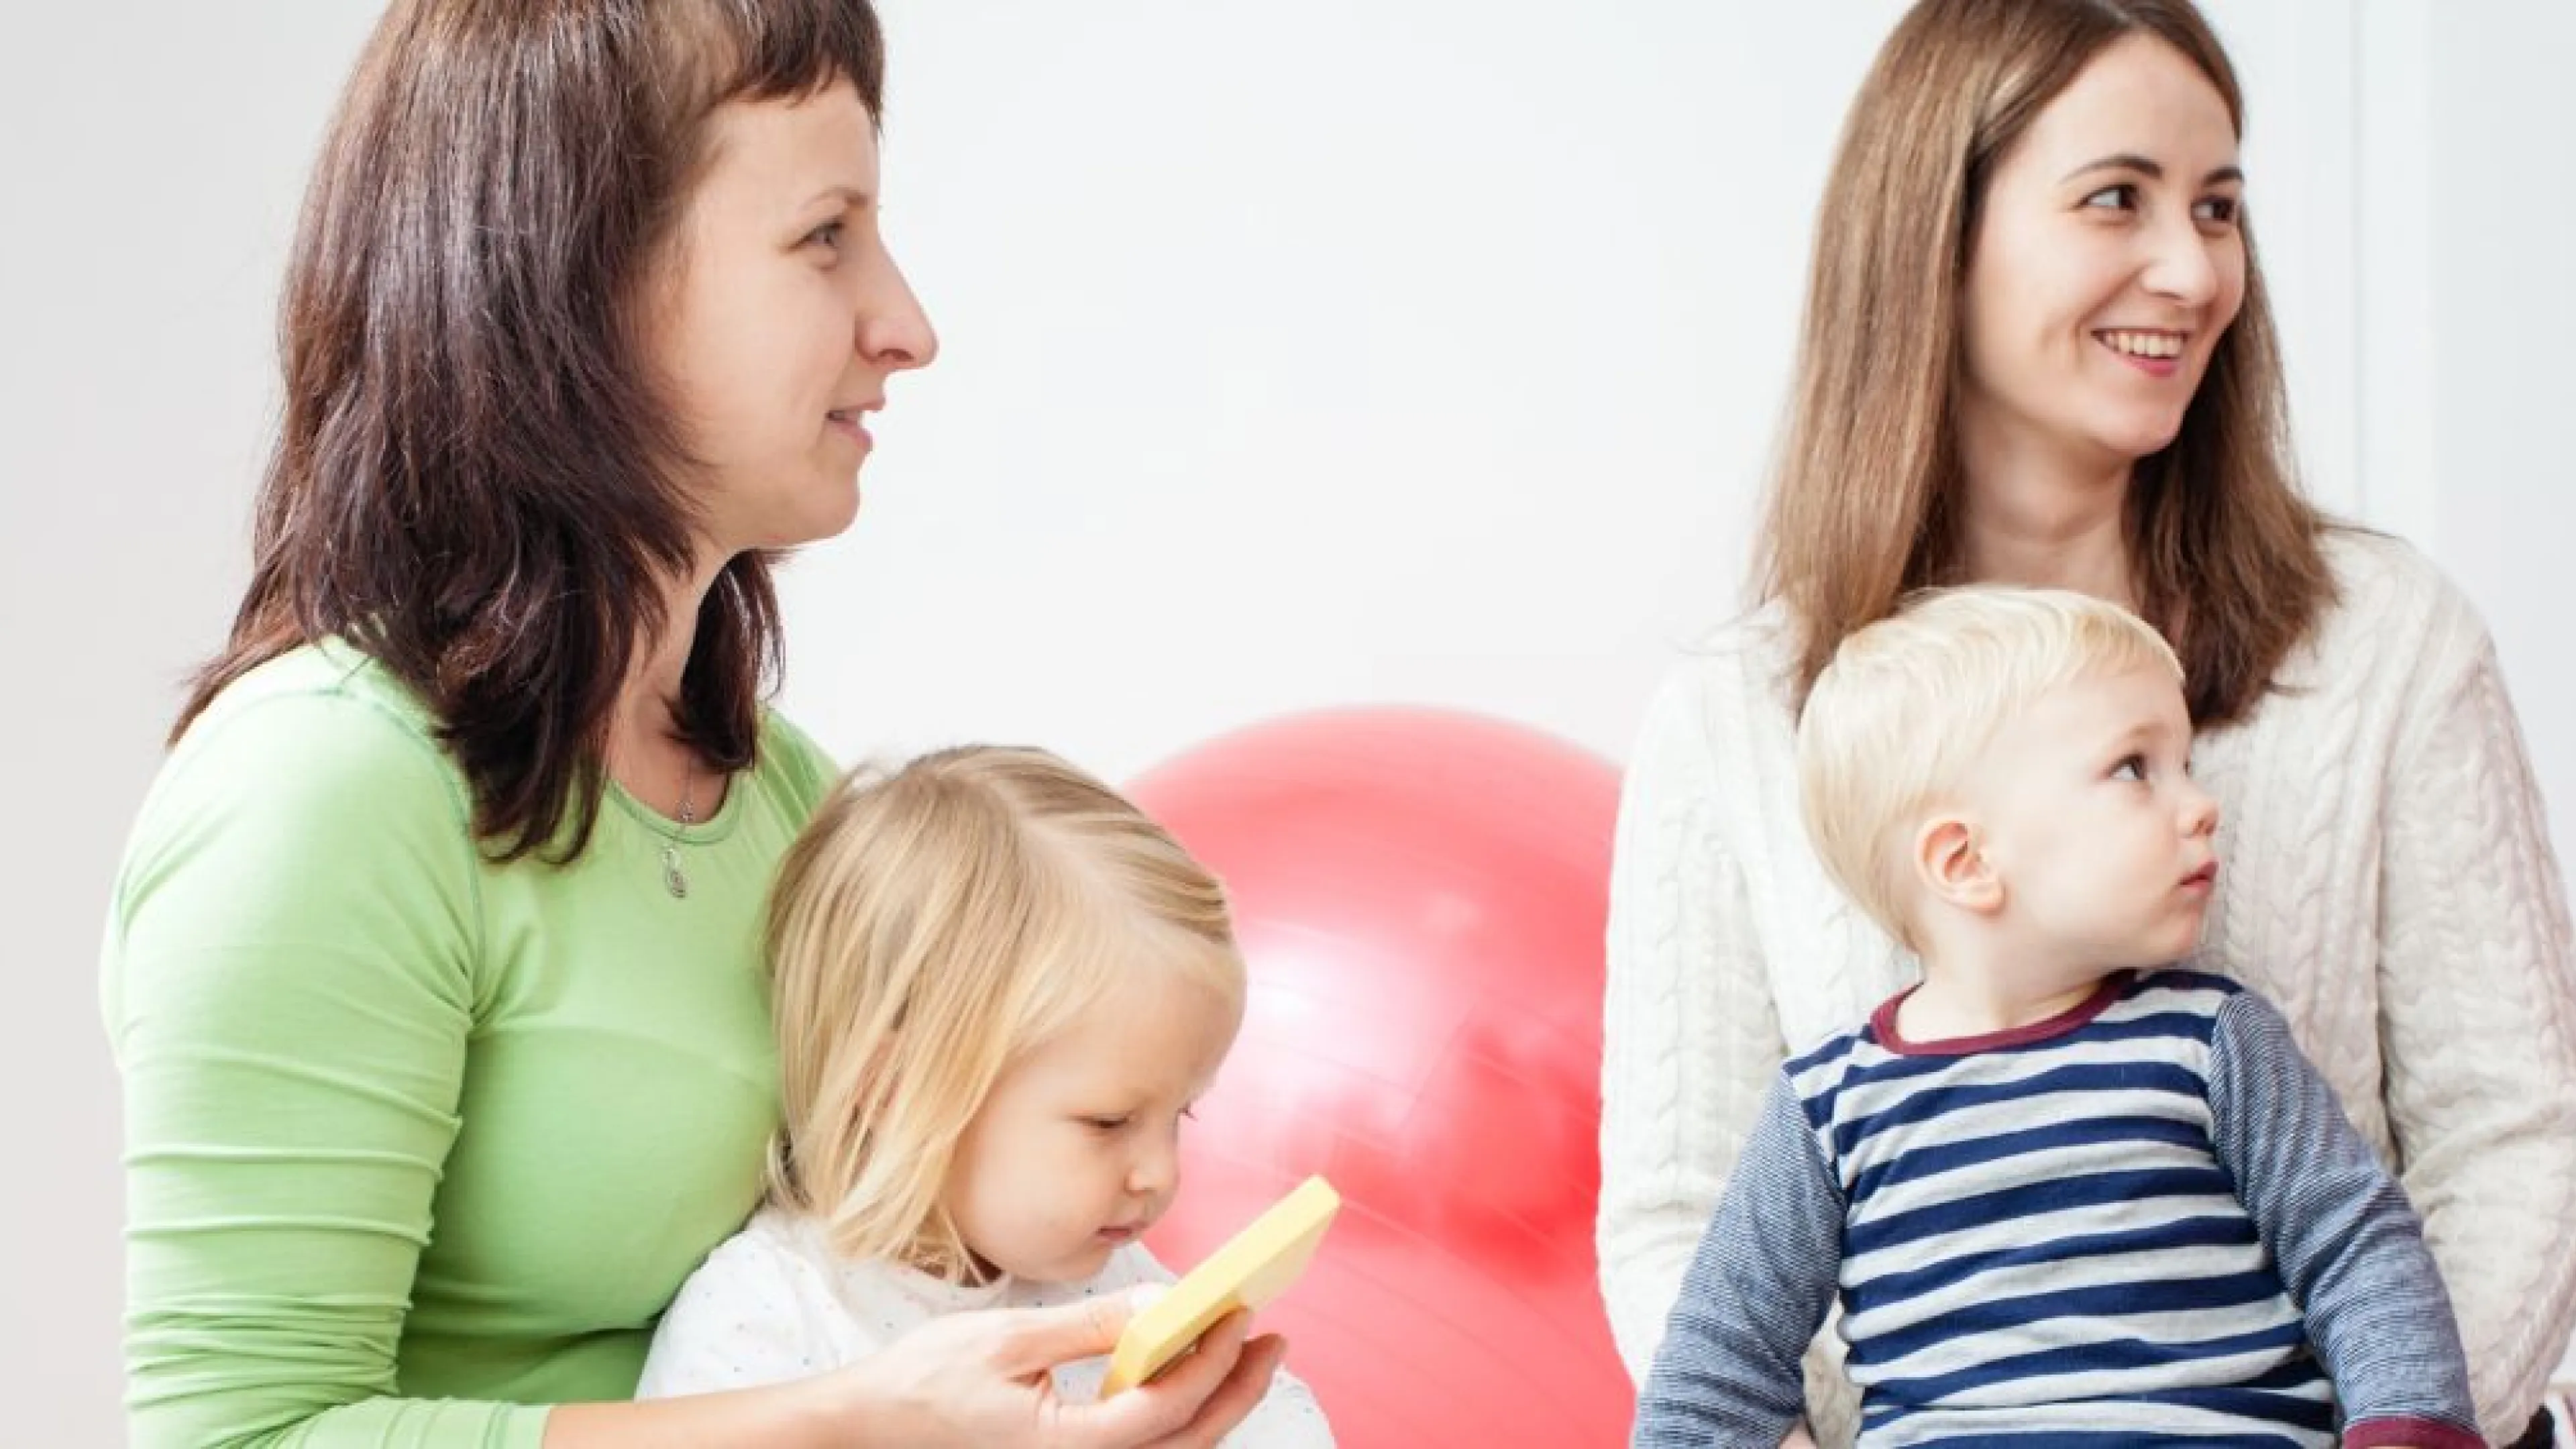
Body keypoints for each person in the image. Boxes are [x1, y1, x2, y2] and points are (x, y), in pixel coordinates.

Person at [101, 2, 1283, 1444]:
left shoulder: (784, 802)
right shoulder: (325, 789)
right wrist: (844, 1427)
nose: (904, 325)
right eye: (824, 235)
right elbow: (231, 1438)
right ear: (583, 279)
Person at [1595, 1, 2576, 1443]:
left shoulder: (2383, 640)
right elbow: (1687, 1230)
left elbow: (2516, 1140)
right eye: (2117, 198)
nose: (2192, 269)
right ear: (1938, 236)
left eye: (2220, 207)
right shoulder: (1733, 716)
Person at [1629, 586, 2479, 1448]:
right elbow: (1708, 1384)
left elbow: (2358, 1249)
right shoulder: (1830, 1110)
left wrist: (2406, 1421)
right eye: (2134, 768)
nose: (2201, 804)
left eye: (2187, 763)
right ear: (1965, 861)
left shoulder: (2215, 1043)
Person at [635, 745, 1337, 1445]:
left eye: (1180, 1113)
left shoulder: (1114, 1283)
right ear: (894, 1088)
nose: (1160, 1173)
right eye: (1109, 1121)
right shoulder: (766, 1318)